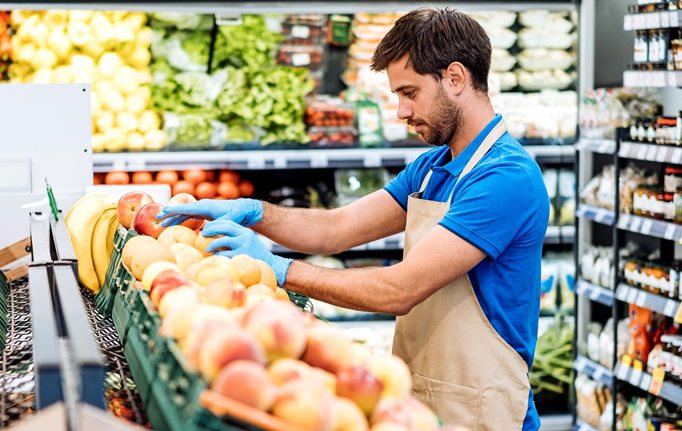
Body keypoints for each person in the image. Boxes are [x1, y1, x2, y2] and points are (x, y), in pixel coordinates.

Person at [157, 8, 549, 431]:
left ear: (455, 78)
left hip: (483, 410)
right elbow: (337, 229)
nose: (400, 111)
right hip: (415, 403)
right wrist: (256, 213)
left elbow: (399, 290)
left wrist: (279, 269)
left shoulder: (506, 178)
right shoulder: (432, 168)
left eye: (410, 93)